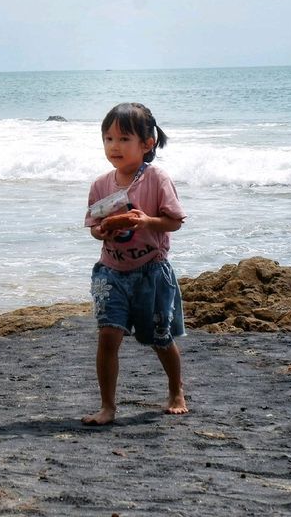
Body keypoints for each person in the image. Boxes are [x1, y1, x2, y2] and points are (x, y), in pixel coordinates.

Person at [82, 102, 188, 426]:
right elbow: (95, 228)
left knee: (159, 337)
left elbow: (174, 222)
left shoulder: (157, 179)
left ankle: (176, 390)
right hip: (111, 271)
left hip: (151, 272)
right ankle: (107, 407)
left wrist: (147, 221)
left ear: (147, 143)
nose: (114, 146)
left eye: (124, 139)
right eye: (108, 139)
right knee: (108, 336)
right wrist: (102, 230)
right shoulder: (101, 184)